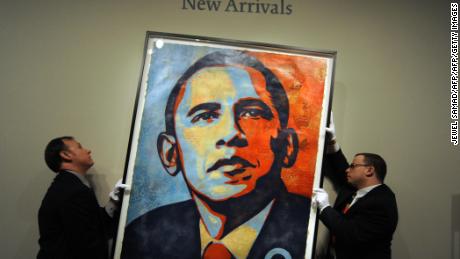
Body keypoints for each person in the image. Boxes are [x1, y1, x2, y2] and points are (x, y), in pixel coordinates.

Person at [121, 50, 310, 259]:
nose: (230, 133)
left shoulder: (312, 230)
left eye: (252, 113)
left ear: (288, 145)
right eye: (206, 115)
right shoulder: (144, 235)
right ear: (170, 153)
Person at [313, 118, 398, 259]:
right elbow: (340, 168)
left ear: (369, 170)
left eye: (353, 166)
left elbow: (350, 233)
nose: (348, 170)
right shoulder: (355, 188)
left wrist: (325, 208)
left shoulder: (383, 202)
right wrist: (332, 141)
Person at [37, 136, 127, 259]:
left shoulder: (69, 186)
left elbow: (92, 225)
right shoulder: (72, 191)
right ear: (66, 155)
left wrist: (113, 202)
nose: (88, 150)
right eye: (79, 147)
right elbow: (88, 244)